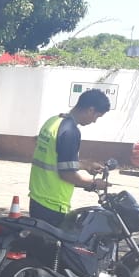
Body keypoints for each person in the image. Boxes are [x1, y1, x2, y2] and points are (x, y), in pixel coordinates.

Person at [29, 89, 111, 227]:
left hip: (37, 196)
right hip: (53, 203)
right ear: (90, 110)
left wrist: (85, 165)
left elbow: (53, 157)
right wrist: (94, 183)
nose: (95, 121)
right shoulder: (71, 132)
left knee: (37, 246)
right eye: (97, 116)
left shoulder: (53, 122)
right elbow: (67, 174)